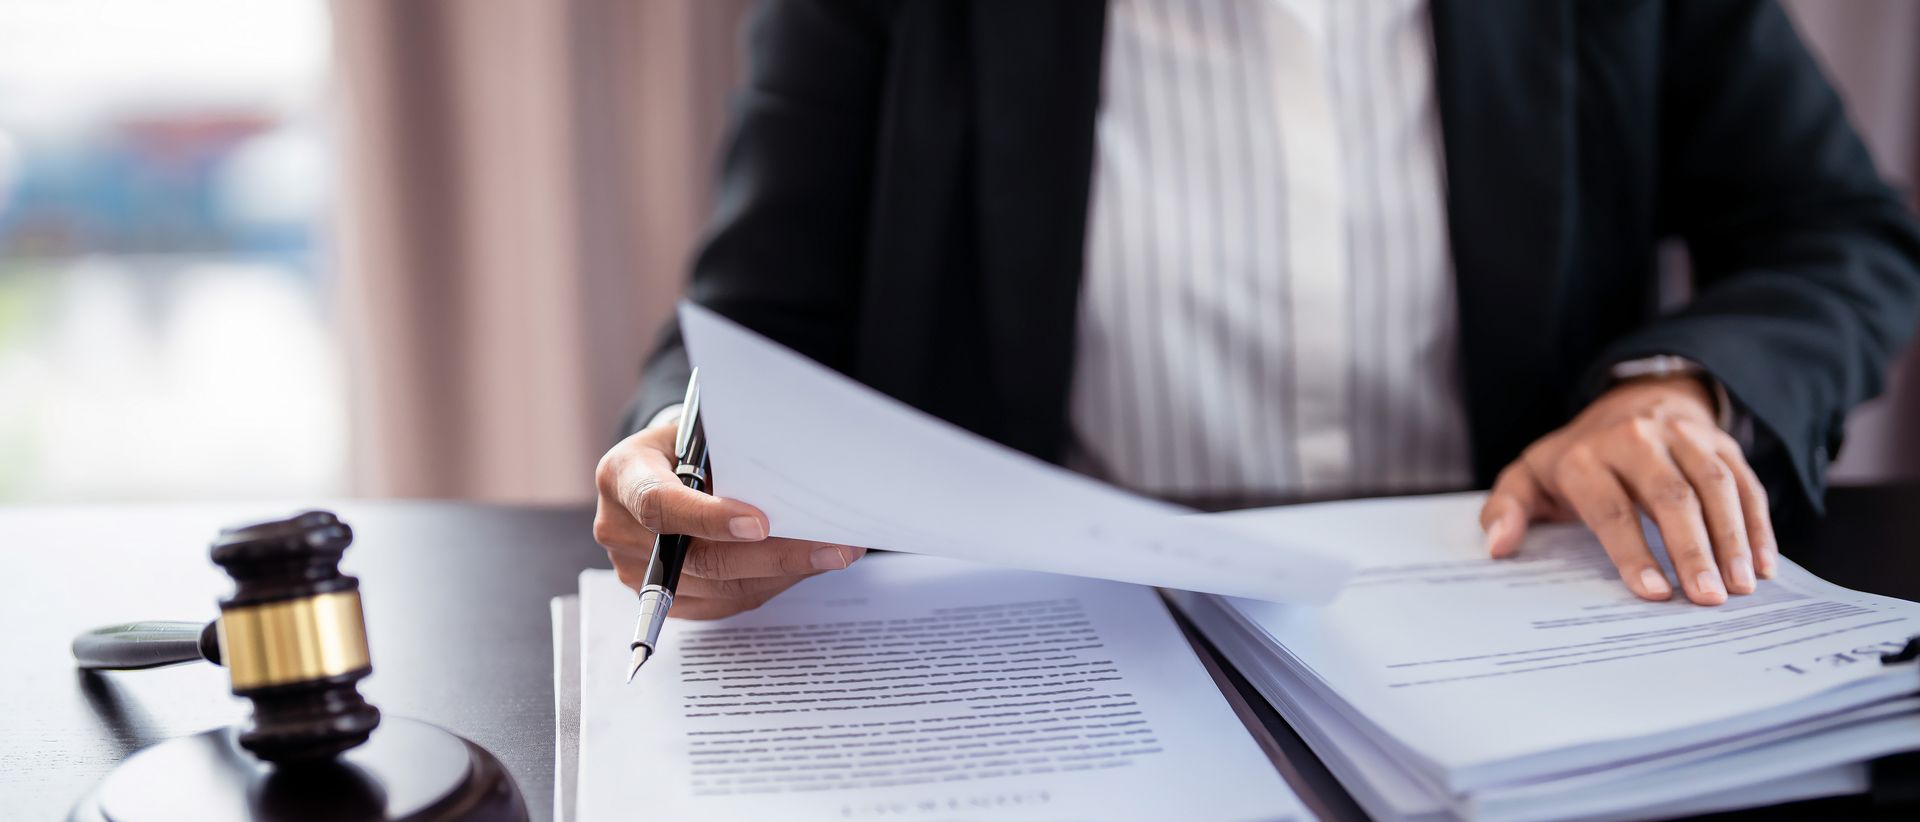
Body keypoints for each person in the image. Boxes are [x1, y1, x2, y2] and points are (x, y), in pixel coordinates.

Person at [593, 0, 1920, 620]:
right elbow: (746, 327)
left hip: (1517, 626)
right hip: (1049, 657)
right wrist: (685, 460)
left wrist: (1676, 382)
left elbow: (1839, 231)